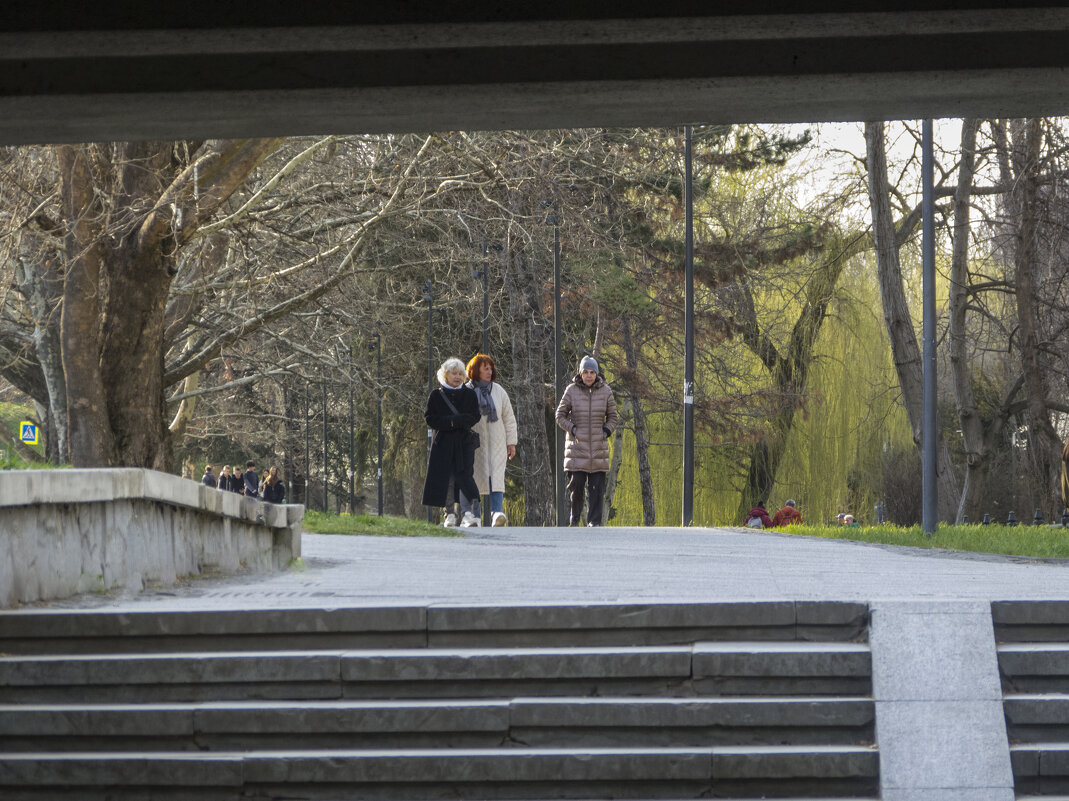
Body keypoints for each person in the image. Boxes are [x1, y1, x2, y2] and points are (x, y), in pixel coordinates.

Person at [555, 355, 618, 527]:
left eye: (592, 372)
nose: (589, 376)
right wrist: (573, 429)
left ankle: (594, 522)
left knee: (597, 488)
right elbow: (559, 416)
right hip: (577, 448)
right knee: (577, 486)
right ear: (580, 373)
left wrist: (606, 431)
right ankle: (574, 518)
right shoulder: (571, 390)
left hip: (598, 448)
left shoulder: (606, 392)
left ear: (597, 374)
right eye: (585, 372)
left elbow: (613, 417)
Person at [422, 357, 482, 527]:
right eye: (453, 373)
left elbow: (475, 416)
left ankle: (467, 513)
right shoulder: (436, 395)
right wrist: (452, 422)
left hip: (464, 442)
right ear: (445, 375)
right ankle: (449, 513)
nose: (457, 377)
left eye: (460, 374)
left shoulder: (469, 394)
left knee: (465, 476)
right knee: (446, 478)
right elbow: (430, 418)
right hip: (443, 443)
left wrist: (458, 421)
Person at [464, 353, 517, 527]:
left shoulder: (499, 391)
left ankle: (497, 512)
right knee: (474, 478)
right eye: (485, 368)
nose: (489, 371)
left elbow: (508, 418)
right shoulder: (467, 391)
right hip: (474, 444)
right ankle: (475, 516)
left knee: (497, 476)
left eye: (490, 368)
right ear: (475, 370)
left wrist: (511, 442)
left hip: (497, 443)